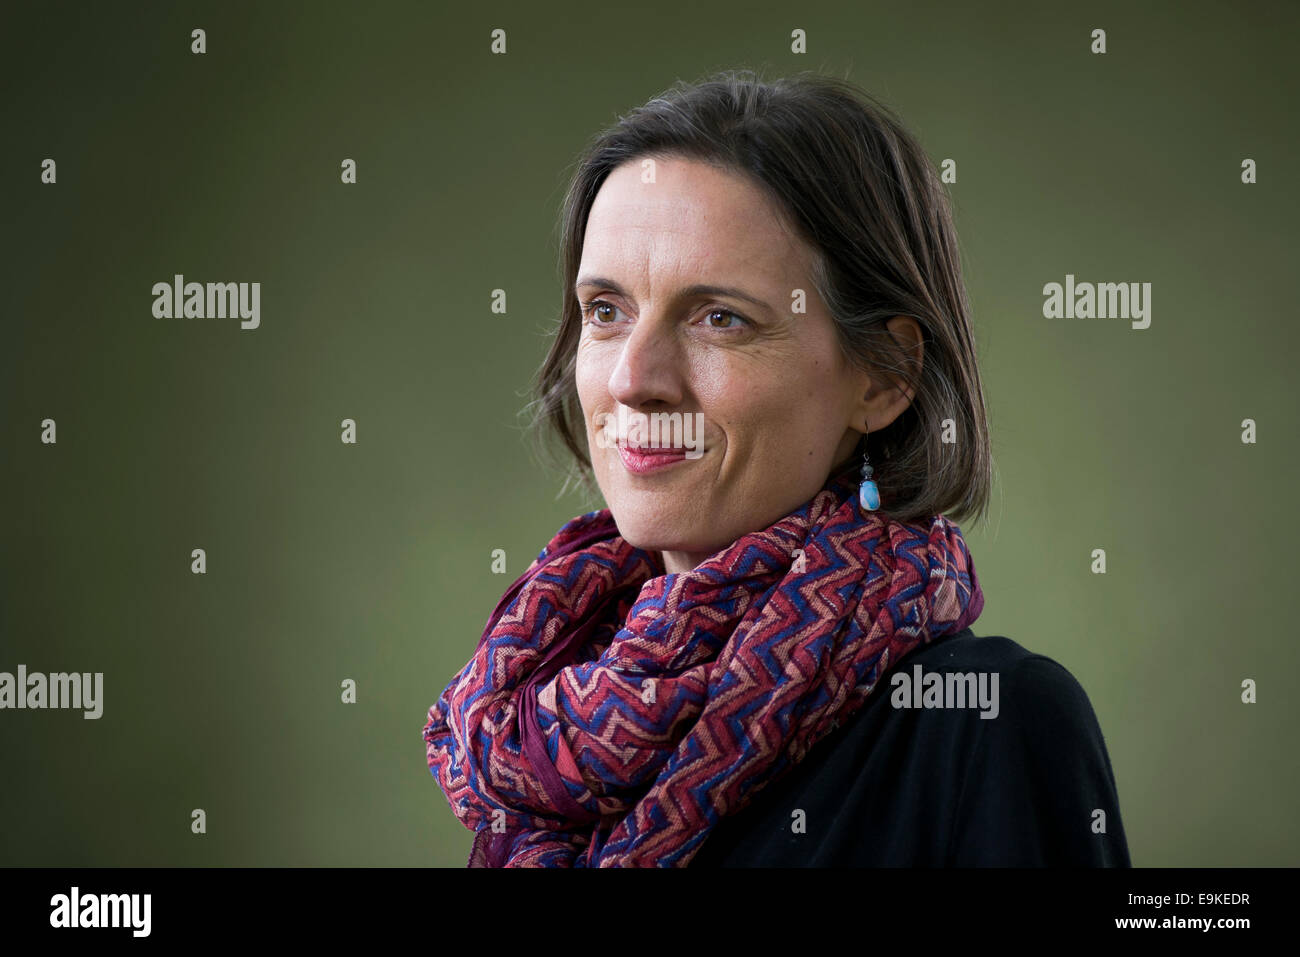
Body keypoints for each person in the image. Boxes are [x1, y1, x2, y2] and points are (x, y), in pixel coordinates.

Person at [422, 68, 1130, 867]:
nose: (632, 378)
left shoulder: (991, 724)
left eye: (720, 317)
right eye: (607, 312)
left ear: (885, 376)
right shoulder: (545, 720)